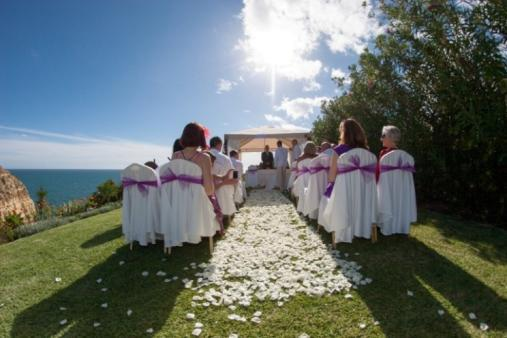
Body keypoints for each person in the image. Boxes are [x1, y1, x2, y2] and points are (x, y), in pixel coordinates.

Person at [171, 123, 224, 230]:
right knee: (213, 197)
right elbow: (209, 190)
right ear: (201, 138)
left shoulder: (175, 155)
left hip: (179, 200)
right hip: (198, 202)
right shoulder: (204, 158)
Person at [324, 118, 369, 197]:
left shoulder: (339, 150)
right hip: (363, 193)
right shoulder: (367, 152)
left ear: (343, 133)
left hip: (343, 194)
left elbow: (331, 178)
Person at [209, 136, 237, 218]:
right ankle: (224, 219)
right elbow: (234, 173)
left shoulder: (204, 155)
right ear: (219, 144)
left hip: (208, 186)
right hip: (223, 186)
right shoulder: (225, 158)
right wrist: (234, 180)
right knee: (223, 206)